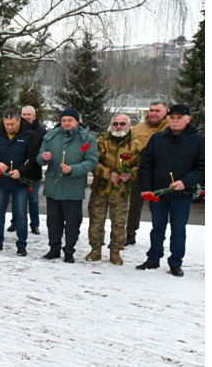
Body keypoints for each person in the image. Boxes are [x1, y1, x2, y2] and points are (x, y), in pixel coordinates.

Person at [135, 104, 204, 277]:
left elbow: (203, 168)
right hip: (158, 193)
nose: (175, 121)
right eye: (172, 117)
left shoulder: (199, 140)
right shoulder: (157, 138)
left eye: (179, 118)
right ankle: (153, 258)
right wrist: (146, 189)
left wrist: (185, 182)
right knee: (157, 228)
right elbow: (146, 164)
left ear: (188, 119)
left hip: (182, 194)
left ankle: (175, 262)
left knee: (178, 229)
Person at [36, 107, 98, 262]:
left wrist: (73, 169)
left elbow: (92, 161)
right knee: (53, 222)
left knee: (72, 223)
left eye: (70, 120)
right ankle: (54, 249)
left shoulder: (88, 139)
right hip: (53, 185)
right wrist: (43, 158)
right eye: (63, 120)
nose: (66, 123)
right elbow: (38, 157)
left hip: (73, 186)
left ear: (78, 121)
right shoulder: (51, 136)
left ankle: (69, 251)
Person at [85, 114, 144, 265]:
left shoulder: (136, 145)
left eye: (122, 124)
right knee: (96, 221)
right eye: (115, 123)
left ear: (129, 126)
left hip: (121, 192)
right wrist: (108, 174)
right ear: (111, 125)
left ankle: (116, 252)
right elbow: (92, 163)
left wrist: (130, 174)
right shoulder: (101, 142)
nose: (118, 126)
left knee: (119, 223)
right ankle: (95, 249)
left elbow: (140, 166)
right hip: (100, 190)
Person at [0, 109, 40, 256]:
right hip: (2, 182)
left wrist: (21, 171)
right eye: (7, 124)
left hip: (20, 182)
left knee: (21, 215)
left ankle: (21, 245)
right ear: (3, 121)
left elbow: (33, 157)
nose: (9, 127)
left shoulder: (28, 135)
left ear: (19, 121)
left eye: (12, 124)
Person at [126, 101, 170, 245]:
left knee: (160, 207)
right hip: (141, 173)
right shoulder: (138, 129)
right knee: (134, 205)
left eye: (157, 110)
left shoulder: (173, 128)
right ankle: (130, 233)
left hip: (163, 175)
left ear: (166, 112)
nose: (153, 113)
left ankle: (159, 235)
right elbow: (130, 150)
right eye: (151, 110)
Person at [8, 106, 47, 235]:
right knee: (16, 198)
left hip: (34, 171)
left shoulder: (42, 132)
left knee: (33, 200)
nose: (26, 117)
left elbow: (41, 151)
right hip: (18, 170)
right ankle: (14, 221)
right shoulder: (16, 130)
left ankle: (34, 224)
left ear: (34, 116)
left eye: (29, 114)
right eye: (24, 114)